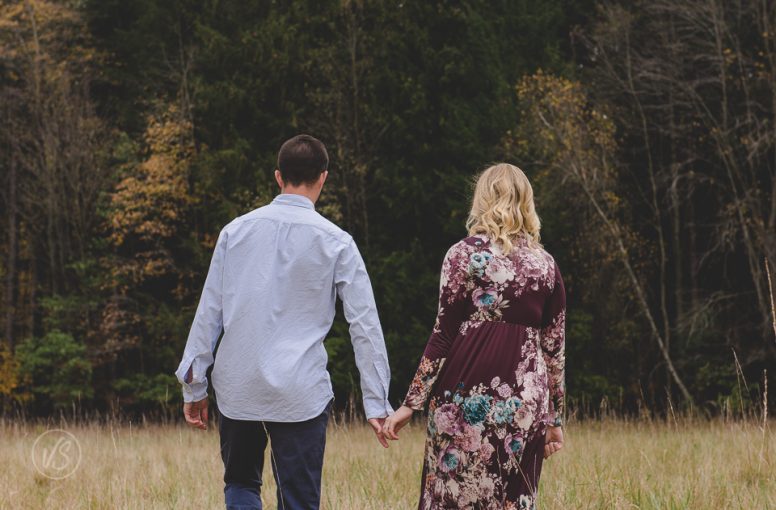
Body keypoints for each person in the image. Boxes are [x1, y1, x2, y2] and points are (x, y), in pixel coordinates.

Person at [174, 134, 393, 510]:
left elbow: (209, 312)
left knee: (240, 485)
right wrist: (376, 403)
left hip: (237, 386)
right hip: (300, 390)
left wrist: (194, 386)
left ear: (278, 177)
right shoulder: (337, 241)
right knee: (299, 501)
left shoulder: (235, 231)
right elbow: (364, 326)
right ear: (323, 177)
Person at [382, 163, 566, 509]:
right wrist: (554, 421)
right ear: (526, 201)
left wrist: (410, 404)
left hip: (464, 400)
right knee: (513, 499)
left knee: (454, 496)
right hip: (524, 405)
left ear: (481, 200)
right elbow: (555, 350)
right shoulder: (546, 266)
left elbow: (443, 335)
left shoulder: (463, 255)